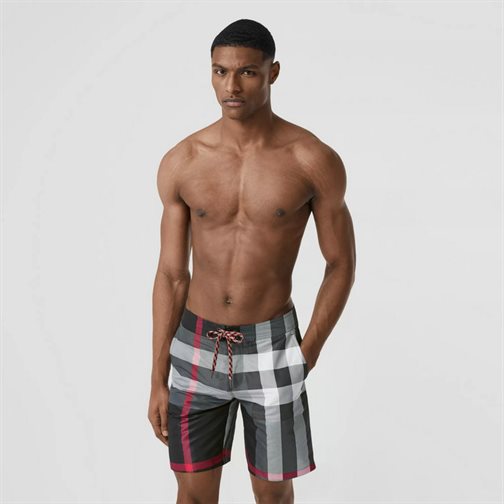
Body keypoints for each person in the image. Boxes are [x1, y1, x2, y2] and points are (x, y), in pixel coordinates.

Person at [148, 18, 356, 504]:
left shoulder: (311, 159)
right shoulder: (184, 161)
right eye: (220, 72)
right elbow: (172, 275)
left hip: (273, 346)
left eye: (246, 72)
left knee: (274, 499)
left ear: (272, 73)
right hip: (195, 346)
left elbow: (340, 263)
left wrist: (307, 352)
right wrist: (157, 376)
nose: (231, 87)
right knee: (192, 496)